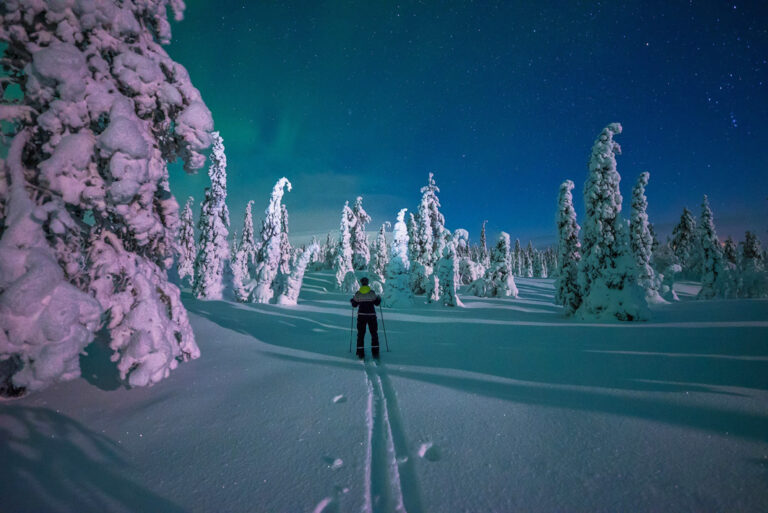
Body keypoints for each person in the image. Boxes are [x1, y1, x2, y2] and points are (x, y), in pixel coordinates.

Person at [350, 277, 381, 358]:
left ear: (361, 283)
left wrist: (352, 300)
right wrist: (379, 299)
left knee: (361, 334)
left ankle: (360, 352)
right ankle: (375, 351)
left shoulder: (358, 293)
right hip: (371, 316)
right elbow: (377, 303)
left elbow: (354, 305)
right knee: (374, 333)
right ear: (367, 283)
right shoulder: (372, 293)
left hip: (361, 316)